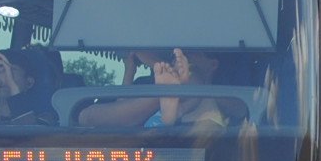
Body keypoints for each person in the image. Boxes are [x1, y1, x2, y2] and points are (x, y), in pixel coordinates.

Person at [77, 47, 225, 129]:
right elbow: (118, 113)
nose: (181, 56)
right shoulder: (148, 85)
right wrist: (129, 70)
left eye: (192, 51)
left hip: (172, 147)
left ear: (213, 64)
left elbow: (193, 85)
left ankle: (169, 95)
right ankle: (166, 93)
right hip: (144, 145)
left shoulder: (217, 97)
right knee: (86, 116)